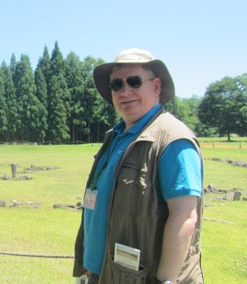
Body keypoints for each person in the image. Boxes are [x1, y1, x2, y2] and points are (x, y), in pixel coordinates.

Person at [73, 48, 204, 284]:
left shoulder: (173, 140)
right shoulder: (117, 135)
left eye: (134, 81)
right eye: (117, 84)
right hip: (101, 274)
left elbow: (185, 217)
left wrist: (165, 281)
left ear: (155, 86)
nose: (125, 91)